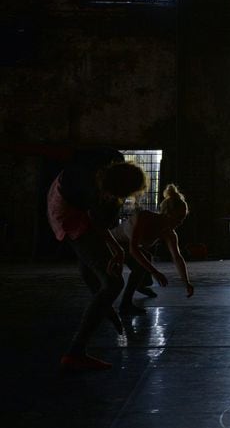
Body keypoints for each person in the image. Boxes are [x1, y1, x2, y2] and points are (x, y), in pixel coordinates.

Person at [46, 147, 162, 371]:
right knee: (113, 282)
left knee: (95, 265)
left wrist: (116, 250)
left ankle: (101, 302)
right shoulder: (92, 197)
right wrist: (116, 250)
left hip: (67, 191)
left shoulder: (107, 159)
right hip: (64, 210)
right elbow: (94, 226)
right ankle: (75, 352)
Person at [114, 184, 194, 315]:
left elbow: (177, 257)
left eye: (183, 219)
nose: (180, 223)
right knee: (141, 267)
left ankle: (140, 285)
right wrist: (155, 272)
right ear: (168, 213)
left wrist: (187, 283)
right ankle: (125, 304)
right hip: (113, 243)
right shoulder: (145, 217)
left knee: (147, 261)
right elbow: (133, 249)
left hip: (126, 245)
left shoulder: (170, 233)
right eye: (179, 218)